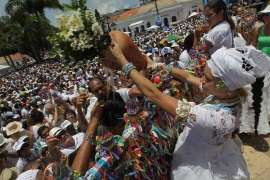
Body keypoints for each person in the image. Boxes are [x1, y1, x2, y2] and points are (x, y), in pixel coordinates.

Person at [99, 42, 270, 179]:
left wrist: (123, 62)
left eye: (207, 78)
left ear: (226, 86)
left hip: (196, 164)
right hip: (215, 151)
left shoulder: (214, 118)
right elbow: (188, 77)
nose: (202, 79)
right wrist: (159, 66)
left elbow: (155, 95)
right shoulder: (229, 95)